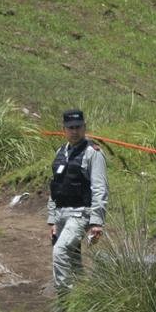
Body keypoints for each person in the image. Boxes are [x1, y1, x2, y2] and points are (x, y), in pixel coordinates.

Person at [47, 109, 108, 296]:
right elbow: (55, 186)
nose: (74, 131)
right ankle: (85, 301)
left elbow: (99, 188)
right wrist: (52, 220)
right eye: (70, 128)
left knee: (59, 252)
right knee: (73, 261)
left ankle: (64, 301)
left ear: (84, 127)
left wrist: (97, 221)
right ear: (63, 129)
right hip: (61, 214)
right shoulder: (61, 152)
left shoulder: (93, 153)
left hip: (80, 214)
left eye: (78, 127)